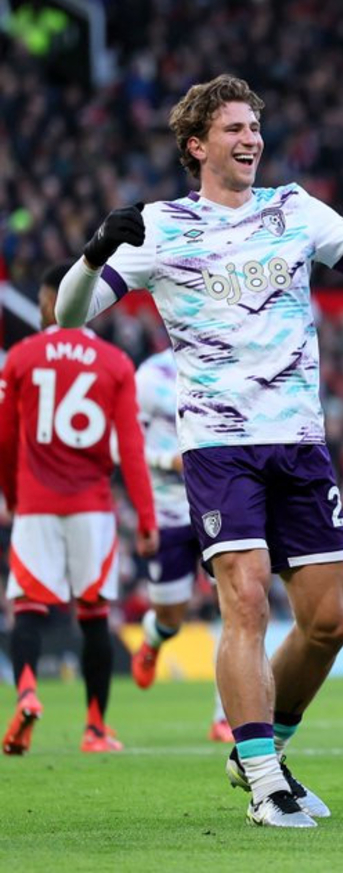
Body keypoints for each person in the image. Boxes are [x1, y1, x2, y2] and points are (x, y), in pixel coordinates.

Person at [55, 74, 343, 827]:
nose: (251, 138)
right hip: (219, 444)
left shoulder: (294, 208)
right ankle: (265, 780)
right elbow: (71, 317)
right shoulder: (161, 226)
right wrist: (94, 253)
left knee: (331, 620)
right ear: (197, 145)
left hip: (300, 442)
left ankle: (260, 750)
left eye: (255, 126)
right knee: (246, 595)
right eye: (234, 128)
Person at [1, 263, 157, 756]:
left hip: (36, 504)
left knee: (27, 607)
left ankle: (27, 690)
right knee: (93, 614)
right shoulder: (114, 363)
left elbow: (5, 439)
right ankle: (94, 727)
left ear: (48, 302)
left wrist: (11, 496)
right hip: (92, 506)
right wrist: (147, 520)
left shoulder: (22, 357)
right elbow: (130, 450)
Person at [129, 347, 233, 743]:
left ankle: (225, 717)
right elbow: (128, 444)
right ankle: (155, 637)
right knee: (170, 616)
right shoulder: (149, 378)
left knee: (239, 608)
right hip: (168, 510)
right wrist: (166, 461)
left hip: (218, 502)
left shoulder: (223, 366)